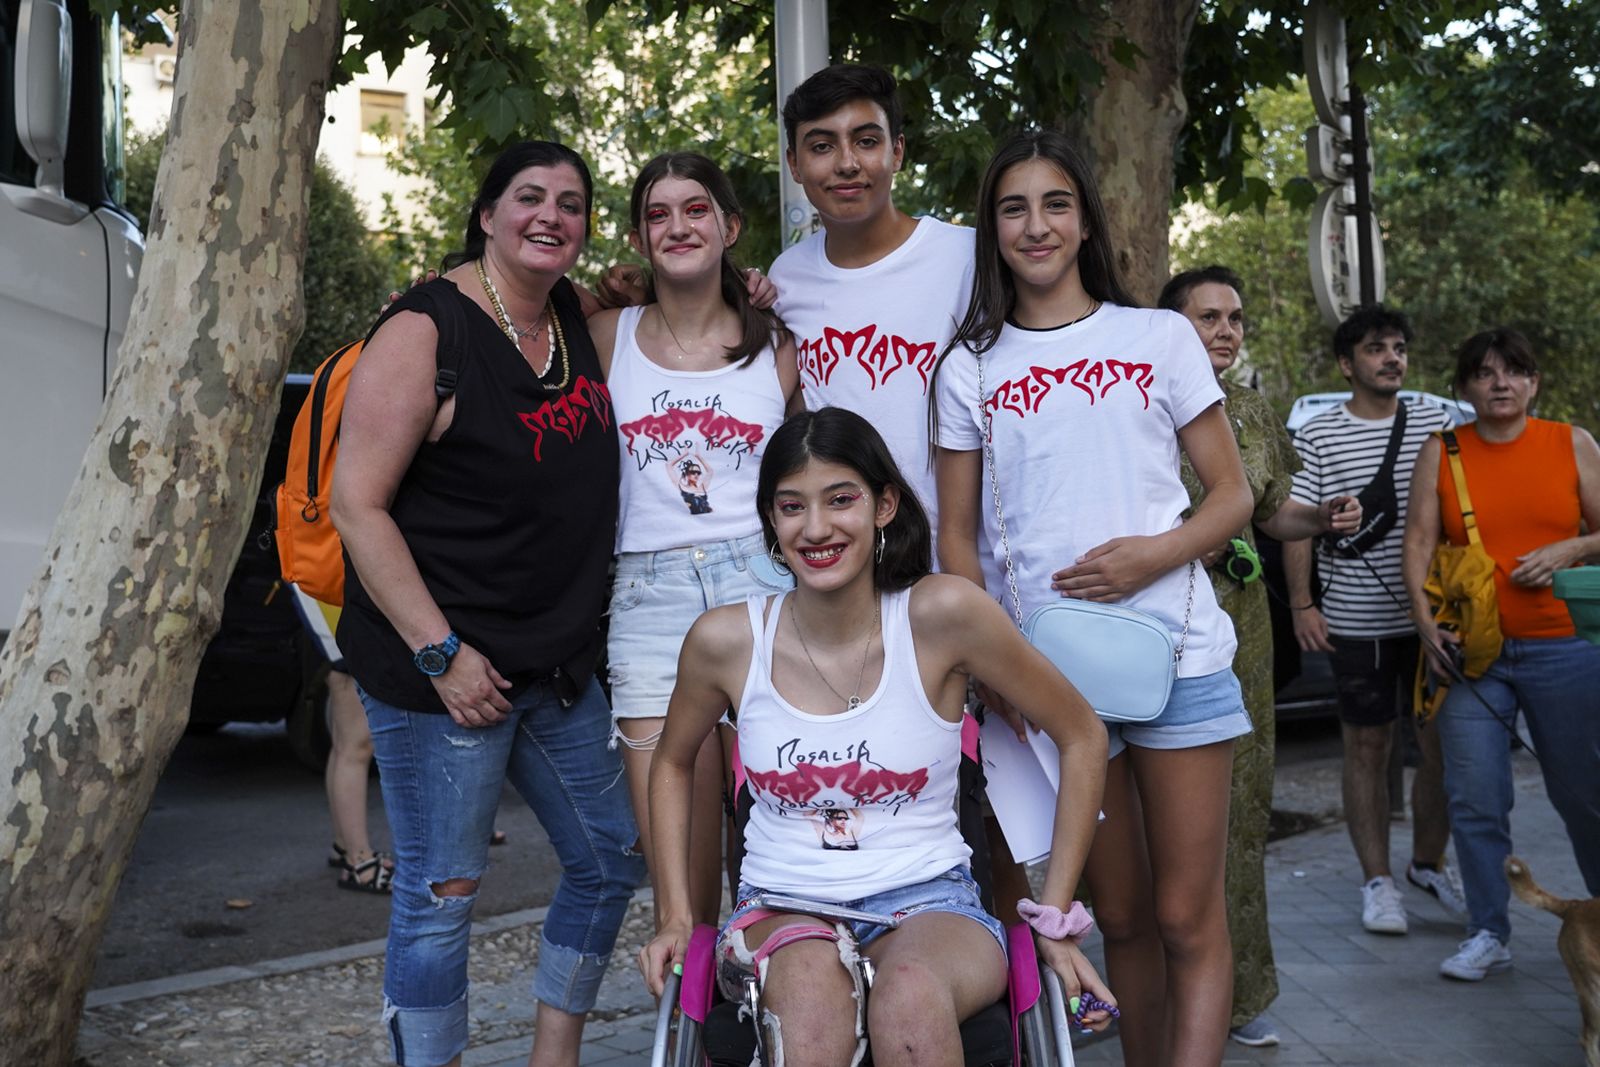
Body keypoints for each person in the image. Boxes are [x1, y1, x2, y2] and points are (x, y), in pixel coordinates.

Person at [640, 407, 1114, 1067]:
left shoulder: (943, 615)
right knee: (808, 999)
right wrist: (673, 912)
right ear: (771, 521)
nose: (816, 528)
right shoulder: (726, 640)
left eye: (841, 499)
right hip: (781, 905)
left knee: (911, 998)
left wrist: (1056, 910)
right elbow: (670, 764)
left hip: (932, 901)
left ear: (884, 504)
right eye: (791, 506)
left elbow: (1082, 732)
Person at [934, 129, 1254, 1067]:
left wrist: (1148, 557)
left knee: (1187, 913)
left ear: (1085, 221)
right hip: (1054, 684)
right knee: (1116, 915)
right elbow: (958, 534)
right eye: (1013, 207)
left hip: (1181, 655)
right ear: (993, 229)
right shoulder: (971, 365)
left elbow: (1231, 496)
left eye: (1056, 204)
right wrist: (984, 656)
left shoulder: (1156, 335)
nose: (1036, 225)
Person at [331, 141, 644, 1067]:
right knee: (441, 895)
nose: (551, 215)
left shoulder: (575, 319)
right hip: (445, 674)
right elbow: (358, 503)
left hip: (555, 665)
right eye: (530, 198)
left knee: (611, 858)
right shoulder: (428, 327)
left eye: (573, 204)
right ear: (486, 213)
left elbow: (681, 302)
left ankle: (554, 1056)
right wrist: (441, 651)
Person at [586, 151, 800, 928]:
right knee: (683, 893)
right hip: (647, 598)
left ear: (730, 226)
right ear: (640, 239)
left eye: (696, 208)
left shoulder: (778, 346)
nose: (678, 225)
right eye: (657, 214)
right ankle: (699, 1033)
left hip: (765, 589)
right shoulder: (605, 335)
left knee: (780, 856)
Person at [1159, 266, 1361, 1047]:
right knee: (1150, 823)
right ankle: (1150, 986)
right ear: (1169, 326)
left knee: (1238, 814)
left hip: (1239, 628)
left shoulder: (1247, 409)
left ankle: (1239, 992)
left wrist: (1327, 519)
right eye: (1207, 316)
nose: (1226, 330)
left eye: (1235, 317)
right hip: (1152, 620)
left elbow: (1275, 516)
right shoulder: (1132, 400)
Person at [1402, 327, 1600, 981]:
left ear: (1534, 382)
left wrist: (1569, 549)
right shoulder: (1444, 450)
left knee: (1583, 795)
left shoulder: (1571, 443)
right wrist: (1428, 629)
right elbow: (1420, 543)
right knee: (1476, 797)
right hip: (1472, 652)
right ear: (1464, 389)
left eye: (1514, 371)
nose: (1500, 383)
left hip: (1566, 647)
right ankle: (1489, 929)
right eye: (1484, 374)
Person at [1285, 305, 1466, 938]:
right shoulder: (1318, 433)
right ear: (1347, 364)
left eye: (1398, 347)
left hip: (1434, 616)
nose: (1391, 357)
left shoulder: (1437, 422)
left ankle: (1427, 864)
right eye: (1375, 349)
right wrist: (1304, 603)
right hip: (1356, 618)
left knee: (1445, 744)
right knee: (1367, 745)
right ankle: (1377, 882)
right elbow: (1300, 523)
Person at [290, 584, 394, 893]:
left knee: (346, 742)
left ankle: (345, 846)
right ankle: (359, 863)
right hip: (334, 592)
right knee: (357, 745)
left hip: (327, 588)